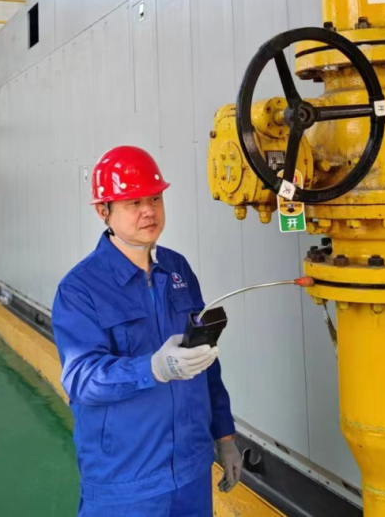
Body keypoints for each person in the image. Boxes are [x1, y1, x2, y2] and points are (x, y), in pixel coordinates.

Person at [52, 146, 244, 517]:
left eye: (155, 198)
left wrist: (224, 435)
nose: (149, 211)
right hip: (126, 481)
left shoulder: (177, 268)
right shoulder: (80, 288)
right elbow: (81, 380)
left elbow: (206, 360)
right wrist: (152, 368)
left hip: (191, 470)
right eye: (133, 202)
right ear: (103, 211)